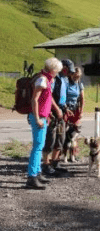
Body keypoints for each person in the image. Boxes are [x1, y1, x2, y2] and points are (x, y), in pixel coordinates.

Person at [26, 57, 63, 189]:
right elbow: (34, 100)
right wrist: (36, 118)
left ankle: (37, 173)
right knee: (37, 147)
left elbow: (46, 98)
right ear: (53, 70)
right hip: (39, 117)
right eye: (57, 70)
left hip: (43, 116)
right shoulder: (42, 80)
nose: (57, 73)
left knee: (40, 146)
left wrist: (50, 111)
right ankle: (32, 177)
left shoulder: (46, 79)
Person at [41, 58, 73, 176]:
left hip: (61, 111)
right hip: (52, 112)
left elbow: (62, 97)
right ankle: (46, 164)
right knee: (50, 138)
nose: (69, 73)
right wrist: (56, 109)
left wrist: (65, 108)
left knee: (61, 137)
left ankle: (55, 162)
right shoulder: (53, 79)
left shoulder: (64, 79)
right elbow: (50, 97)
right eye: (68, 70)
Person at [61, 67, 84, 163]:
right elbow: (62, 96)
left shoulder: (79, 84)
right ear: (71, 74)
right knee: (64, 132)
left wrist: (81, 111)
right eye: (75, 75)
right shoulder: (66, 83)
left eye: (78, 76)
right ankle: (62, 155)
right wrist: (65, 108)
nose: (76, 78)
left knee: (75, 134)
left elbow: (82, 98)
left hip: (75, 110)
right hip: (66, 109)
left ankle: (73, 155)